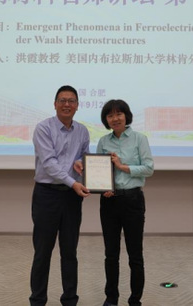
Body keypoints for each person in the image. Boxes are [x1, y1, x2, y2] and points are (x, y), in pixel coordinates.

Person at [30, 85, 91, 306]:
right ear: (55, 104)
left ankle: (70, 300)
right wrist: (74, 182)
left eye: (71, 101)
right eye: (62, 100)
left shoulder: (82, 131)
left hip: (71, 198)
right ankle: (38, 301)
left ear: (77, 105)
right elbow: (49, 164)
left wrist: (81, 163)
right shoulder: (43, 128)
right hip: (47, 195)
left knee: (70, 252)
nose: (67, 104)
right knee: (43, 252)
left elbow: (84, 158)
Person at [96, 99, 154, 306]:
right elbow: (98, 171)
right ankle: (111, 298)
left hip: (132, 200)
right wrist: (102, 187)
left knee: (135, 254)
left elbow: (149, 168)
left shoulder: (139, 139)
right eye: (110, 115)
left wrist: (122, 166)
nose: (115, 118)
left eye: (118, 114)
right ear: (106, 120)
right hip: (109, 202)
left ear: (126, 116)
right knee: (111, 255)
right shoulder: (103, 142)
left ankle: (135, 300)